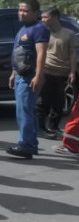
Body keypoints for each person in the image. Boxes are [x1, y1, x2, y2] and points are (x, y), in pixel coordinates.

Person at [6, 0, 50, 159]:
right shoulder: (23, 29)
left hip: (30, 76)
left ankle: (26, 145)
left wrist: (38, 75)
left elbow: (41, 53)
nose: (22, 13)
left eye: (26, 11)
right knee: (23, 111)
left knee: (25, 111)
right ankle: (31, 144)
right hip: (20, 75)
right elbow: (19, 54)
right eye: (20, 10)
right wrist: (13, 73)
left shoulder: (39, 29)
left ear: (36, 13)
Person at [38, 8, 76, 138]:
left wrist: (72, 71)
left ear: (55, 18)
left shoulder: (68, 34)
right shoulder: (42, 32)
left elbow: (72, 54)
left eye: (45, 17)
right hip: (46, 70)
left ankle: (53, 127)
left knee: (58, 103)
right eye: (41, 17)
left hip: (61, 72)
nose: (42, 20)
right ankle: (40, 128)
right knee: (43, 101)